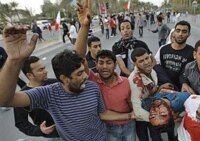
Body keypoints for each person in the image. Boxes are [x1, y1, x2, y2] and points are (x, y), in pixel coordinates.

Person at [0, 0, 134, 140]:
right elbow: (5, 100)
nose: (86, 75)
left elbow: (103, 113)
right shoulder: (49, 94)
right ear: (64, 78)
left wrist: (84, 26)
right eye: (79, 74)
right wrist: (14, 60)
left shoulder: (92, 87)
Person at [75, 23, 136, 141]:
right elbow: (79, 57)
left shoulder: (126, 82)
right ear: (96, 65)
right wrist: (84, 26)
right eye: (101, 63)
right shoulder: (92, 80)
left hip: (129, 125)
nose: (104, 66)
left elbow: (133, 104)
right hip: (107, 128)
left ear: (115, 65)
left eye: (108, 63)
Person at [128, 48, 176, 141]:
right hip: (142, 116)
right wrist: (159, 119)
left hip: (152, 110)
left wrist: (159, 88)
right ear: (135, 63)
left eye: (147, 58)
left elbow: (152, 89)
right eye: (141, 61)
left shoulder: (152, 71)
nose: (146, 62)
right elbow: (137, 110)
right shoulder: (135, 81)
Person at [14, 56, 59, 139]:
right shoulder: (22, 96)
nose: (45, 71)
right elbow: (21, 122)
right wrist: (39, 130)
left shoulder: (56, 83)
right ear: (30, 75)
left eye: (44, 68)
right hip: (54, 135)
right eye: (40, 70)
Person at [154, 20, 194, 90]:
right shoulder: (163, 49)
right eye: (178, 31)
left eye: (184, 32)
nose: (180, 34)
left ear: (189, 34)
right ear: (174, 33)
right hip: (165, 88)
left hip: (182, 89)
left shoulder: (192, 52)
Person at [0, 47, 26, 111]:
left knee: (18, 81)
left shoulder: (0, 49)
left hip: (7, 70)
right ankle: (3, 102)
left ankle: (28, 90)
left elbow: (7, 59)